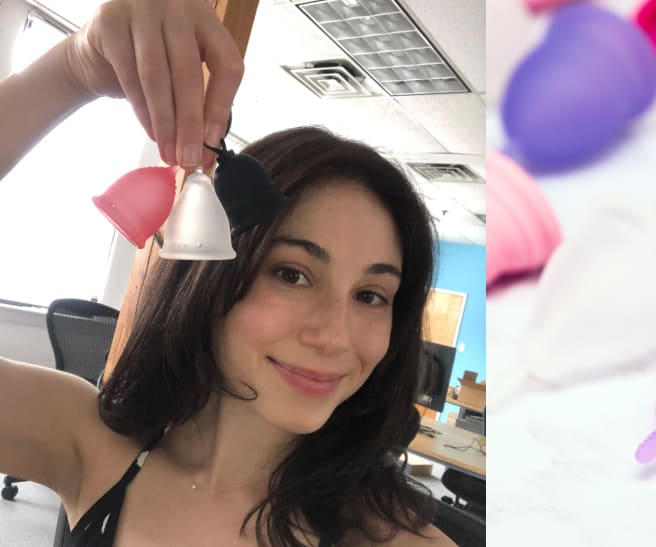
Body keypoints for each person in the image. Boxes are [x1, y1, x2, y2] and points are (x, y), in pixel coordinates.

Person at [0, 0, 456, 545]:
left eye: (371, 295)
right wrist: (71, 69)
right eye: (292, 274)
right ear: (212, 280)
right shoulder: (89, 444)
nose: (334, 335)